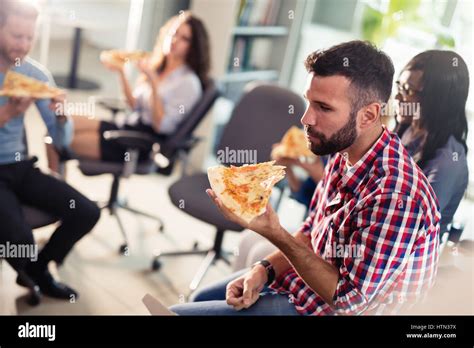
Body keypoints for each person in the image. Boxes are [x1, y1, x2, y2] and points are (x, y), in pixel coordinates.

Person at [170, 40, 441, 315]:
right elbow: (314, 230)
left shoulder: (397, 196)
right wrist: (264, 270)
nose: (306, 118)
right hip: (305, 289)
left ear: (368, 115)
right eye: (309, 102)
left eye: (323, 108)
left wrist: (274, 233)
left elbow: (349, 301)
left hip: (332, 310)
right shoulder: (343, 147)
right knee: (200, 298)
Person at [0, 0, 100, 300]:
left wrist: (61, 117)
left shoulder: (35, 74)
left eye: (29, 37)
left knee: (87, 212)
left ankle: (37, 269)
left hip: (20, 168)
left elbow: (61, 140)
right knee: (21, 239)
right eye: (16, 36)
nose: (24, 44)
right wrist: (7, 114)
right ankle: (36, 272)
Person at [68, 11, 210, 163]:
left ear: (193, 47)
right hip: (128, 125)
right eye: (174, 33)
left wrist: (154, 82)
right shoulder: (159, 67)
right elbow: (134, 105)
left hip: (141, 142)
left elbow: (161, 126)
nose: (174, 40)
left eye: (184, 39)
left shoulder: (188, 83)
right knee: (63, 123)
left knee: (62, 140)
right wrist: (121, 72)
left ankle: (51, 182)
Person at [394, 50, 469, 235]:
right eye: (399, 86)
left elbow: (408, 229)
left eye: (408, 91)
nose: (397, 98)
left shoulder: (447, 162)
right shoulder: (409, 129)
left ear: (439, 100)